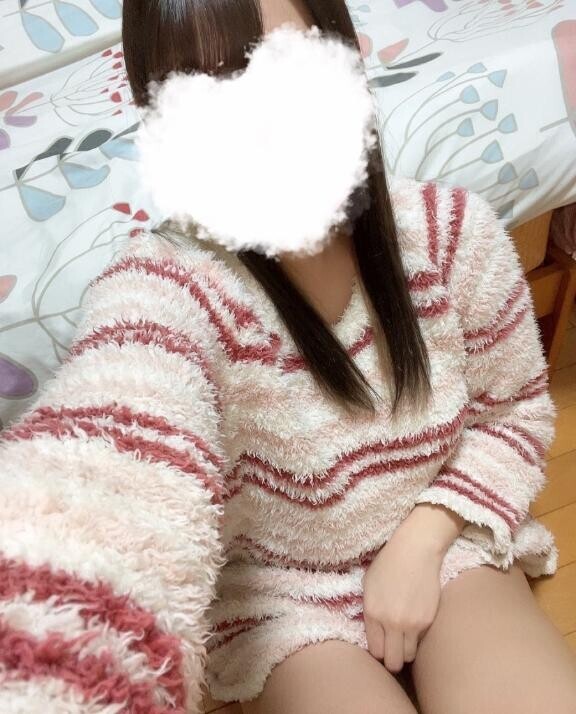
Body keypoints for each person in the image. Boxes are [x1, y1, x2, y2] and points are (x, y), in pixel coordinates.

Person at [1, 1, 575, 713]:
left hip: (444, 530)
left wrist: (425, 537)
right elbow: (106, 467)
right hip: (276, 596)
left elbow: (514, 412)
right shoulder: (166, 288)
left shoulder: (449, 233)